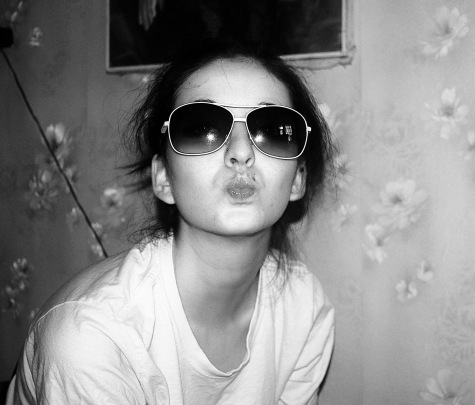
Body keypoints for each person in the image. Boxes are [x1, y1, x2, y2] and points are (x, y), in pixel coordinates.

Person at [6, 37, 335, 404]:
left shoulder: (304, 308)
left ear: (298, 179)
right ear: (163, 178)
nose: (241, 153)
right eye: (201, 128)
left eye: (273, 130)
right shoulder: (93, 338)